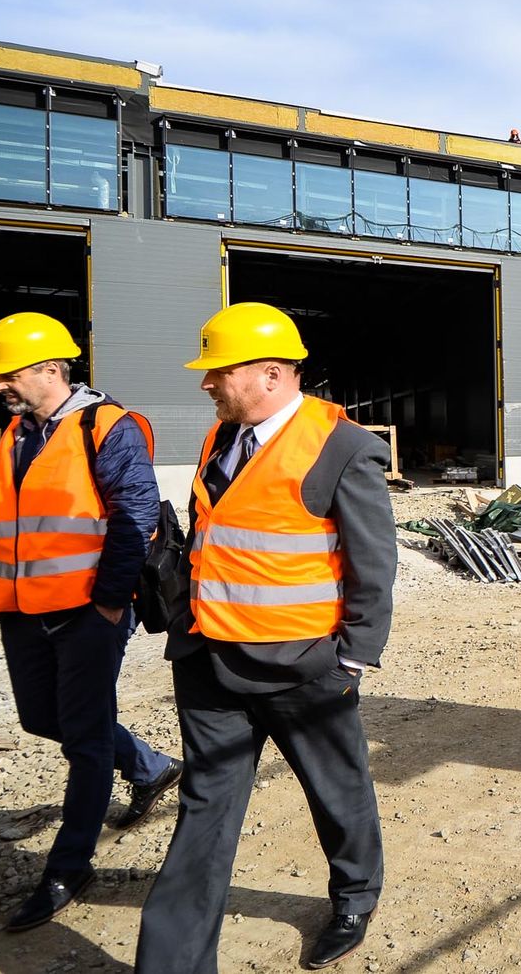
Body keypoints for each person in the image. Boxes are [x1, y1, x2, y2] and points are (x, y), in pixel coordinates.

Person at [137, 303, 395, 972]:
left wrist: (351, 661)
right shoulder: (221, 437)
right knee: (204, 810)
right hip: (207, 657)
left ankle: (355, 897)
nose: (206, 383)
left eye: (218, 371)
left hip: (303, 666)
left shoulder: (343, 446)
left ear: (273, 373)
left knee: (336, 790)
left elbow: (373, 563)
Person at [0, 312, 181, 933]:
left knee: (85, 738)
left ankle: (69, 866)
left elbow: (135, 514)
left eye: (7, 374)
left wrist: (111, 602)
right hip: (20, 607)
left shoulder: (106, 427)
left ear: (50, 369)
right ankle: (149, 767)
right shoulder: (18, 432)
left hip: (88, 610)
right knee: (41, 718)